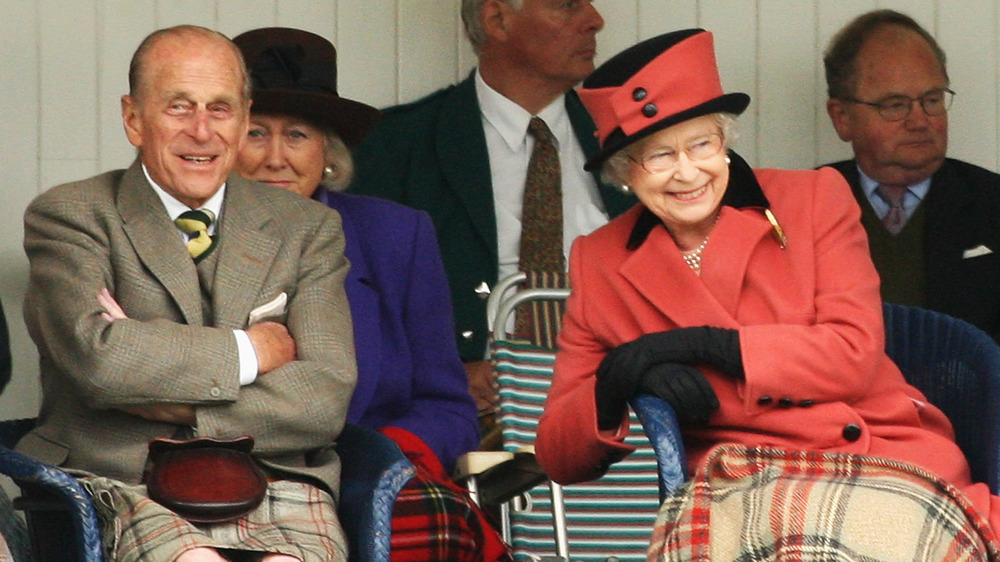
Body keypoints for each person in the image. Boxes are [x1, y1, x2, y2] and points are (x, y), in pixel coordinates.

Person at [535, 28, 1000, 559]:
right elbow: (558, 455)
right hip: (734, 485)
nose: (687, 173)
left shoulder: (813, 201)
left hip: (877, 463)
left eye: (702, 144)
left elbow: (850, 355)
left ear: (725, 140)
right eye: (658, 156)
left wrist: (705, 347)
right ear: (624, 174)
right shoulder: (601, 261)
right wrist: (618, 378)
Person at [16, 25, 356, 561]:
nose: (202, 131)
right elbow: (99, 361)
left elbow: (324, 395)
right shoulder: (73, 215)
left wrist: (162, 396)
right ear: (134, 118)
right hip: (123, 480)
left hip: (276, 480)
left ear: (243, 119)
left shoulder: (306, 227)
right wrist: (252, 352)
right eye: (179, 107)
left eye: (220, 109)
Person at [232, 27, 509, 561]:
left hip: (369, 475)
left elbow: (447, 406)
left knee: (426, 524)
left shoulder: (395, 236)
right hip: (235, 479)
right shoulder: (193, 237)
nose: (275, 158)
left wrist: (384, 457)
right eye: (256, 133)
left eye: (297, 135)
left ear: (328, 153)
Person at [350, 0, 634, 427]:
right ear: (497, 20)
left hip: (620, 409)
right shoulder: (394, 147)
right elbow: (357, 304)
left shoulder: (640, 144)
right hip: (472, 421)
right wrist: (442, 377)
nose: (595, 20)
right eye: (567, 5)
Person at [823, 9, 1000, 341]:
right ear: (842, 117)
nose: (920, 121)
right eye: (895, 105)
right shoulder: (803, 208)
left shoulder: (992, 201)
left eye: (932, 100)